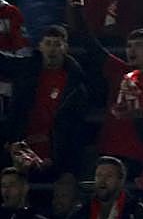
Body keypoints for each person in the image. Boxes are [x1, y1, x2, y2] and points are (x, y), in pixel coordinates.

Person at [0, 23, 87, 174]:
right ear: (40, 46)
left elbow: (75, 128)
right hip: (21, 146)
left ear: (65, 47)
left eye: (57, 44)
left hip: (54, 152)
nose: (52, 49)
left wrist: (65, 162)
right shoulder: (26, 68)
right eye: (48, 43)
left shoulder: (75, 84)